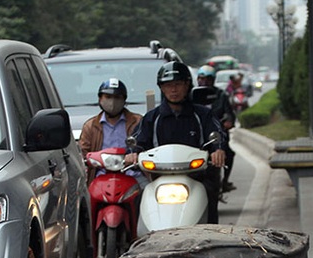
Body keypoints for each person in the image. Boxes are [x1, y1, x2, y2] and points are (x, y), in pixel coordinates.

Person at [125, 61, 227, 224]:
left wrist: (218, 150)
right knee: (138, 196)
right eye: (168, 85)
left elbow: (218, 135)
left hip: (197, 177)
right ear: (161, 88)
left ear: (187, 85)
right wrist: (131, 154)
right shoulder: (152, 117)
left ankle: (210, 242)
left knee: (210, 193)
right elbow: (137, 140)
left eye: (178, 84)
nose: (173, 90)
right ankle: (140, 243)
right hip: (159, 178)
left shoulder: (202, 115)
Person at [78, 78, 143, 183]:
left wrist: (135, 156)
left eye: (117, 97)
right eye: (108, 97)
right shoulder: (90, 126)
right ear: (100, 99)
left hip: (133, 176)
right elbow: (83, 155)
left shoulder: (138, 121)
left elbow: (147, 148)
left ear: (124, 100)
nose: (112, 102)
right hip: (101, 178)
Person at [196, 65, 237, 195]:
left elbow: (229, 113)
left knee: (229, 154)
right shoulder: (192, 95)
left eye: (208, 79)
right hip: (197, 136)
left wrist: (227, 122)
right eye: (202, 79)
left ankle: (225, 181)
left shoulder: (221, 95)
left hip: (216, 136)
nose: (204, 82)